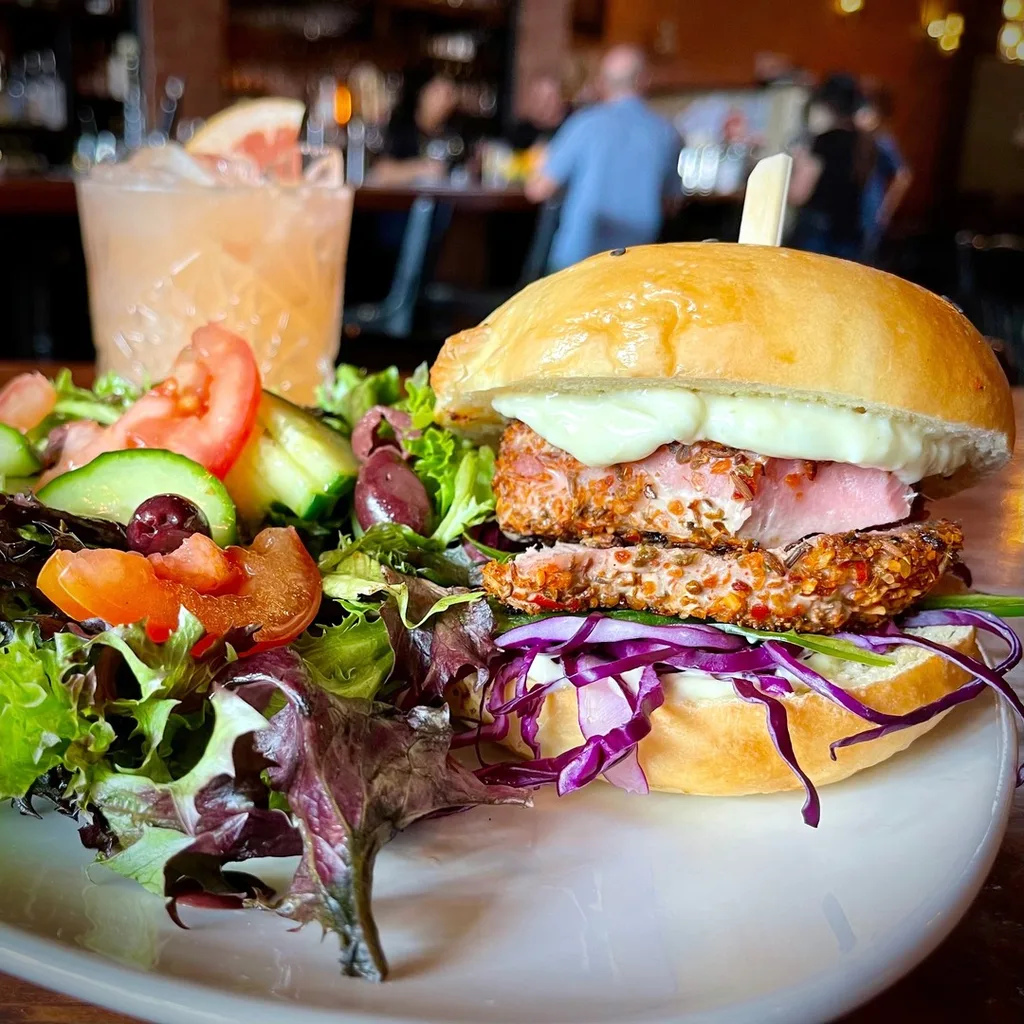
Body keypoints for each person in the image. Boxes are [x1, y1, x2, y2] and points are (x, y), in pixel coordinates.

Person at [525, 45, 681, 272]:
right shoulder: (667, 132)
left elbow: (539, 189)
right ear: (644, 80)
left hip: (580, 261)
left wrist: (540, 164)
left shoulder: (585, 124)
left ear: (602, 82)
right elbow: (671, 204)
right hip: (638, 262)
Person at [788, 74, 873, 261]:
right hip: (849, 231)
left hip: (817, 230)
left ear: (826, 105)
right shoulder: (866, 144)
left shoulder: (824, 141)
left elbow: (798, 194)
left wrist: (796, 163)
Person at [371, 73, 461, 186]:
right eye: (438, 93)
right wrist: (419, 169)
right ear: (423, 93)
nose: (444, 101)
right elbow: (379, 173)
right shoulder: (401, 129)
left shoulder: (455, 136)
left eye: (449, 95)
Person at [855, 87, 912, 264]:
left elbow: (903, 175)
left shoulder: (882, 140)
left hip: (870, 206)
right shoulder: (858, 138)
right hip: (857, 204)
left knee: (862, 257)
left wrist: (886, 209)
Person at [507, 75, 567, 151]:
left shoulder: (569, 129)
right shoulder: (522, 132)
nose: (544, 104)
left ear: (560, 101)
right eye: (539, 98)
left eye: (549, 98)